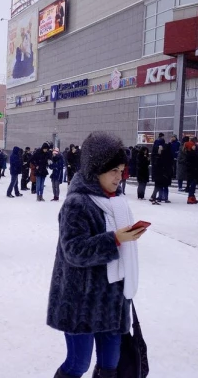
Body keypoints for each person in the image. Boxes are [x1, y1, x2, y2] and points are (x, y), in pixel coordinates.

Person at [47, 131, 147, 378]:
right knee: (77, 364)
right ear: (95, 170)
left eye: (121, 170)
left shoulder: (118, 202)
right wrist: (114, 239)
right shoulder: (78, 203)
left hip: (112, 302)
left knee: (110, 367)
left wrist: (128, 237)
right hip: (80, 301)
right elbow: (74, 251)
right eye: (113, 171)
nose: (119, 177)